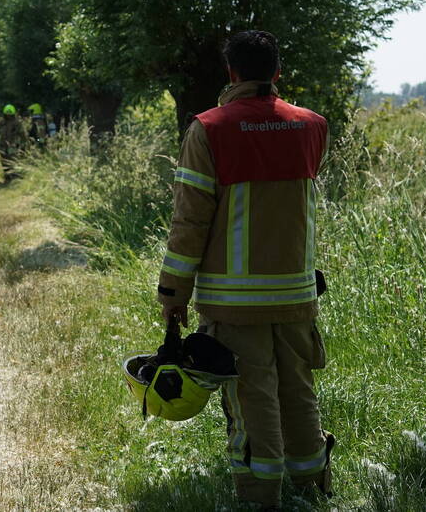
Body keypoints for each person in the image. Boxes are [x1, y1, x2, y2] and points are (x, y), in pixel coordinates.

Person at [156, 30, 333, 510]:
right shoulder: (313, 126)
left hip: (235, 303)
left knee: (253, 401)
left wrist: (173, 292)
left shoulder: (209, 129)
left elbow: (190, 220)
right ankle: (313, 486)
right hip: (297, 295)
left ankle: (260, 497)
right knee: (298, 391)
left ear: (231, 73)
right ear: (277, 72)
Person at [0, 104, 28, 181]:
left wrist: (23, 147)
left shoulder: (17, 123)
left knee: (13, 161)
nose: (9, 116)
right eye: (7, 115)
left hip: (13, 146)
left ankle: (14, 177)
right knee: (4, 162)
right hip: (2, 146)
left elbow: (23, 136)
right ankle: (7, 177)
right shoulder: (1, 123)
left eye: (10, 115)